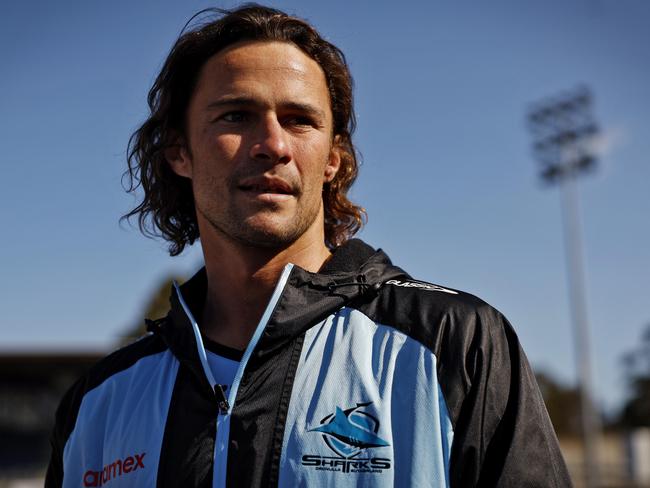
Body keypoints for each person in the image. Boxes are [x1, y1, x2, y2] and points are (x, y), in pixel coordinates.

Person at [46, 5, 572, 487]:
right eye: (235, 116)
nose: (273, 145)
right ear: (179, 151)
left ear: (332, 160)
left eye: (300, 120)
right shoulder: (100, 403)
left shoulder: (456, 343)